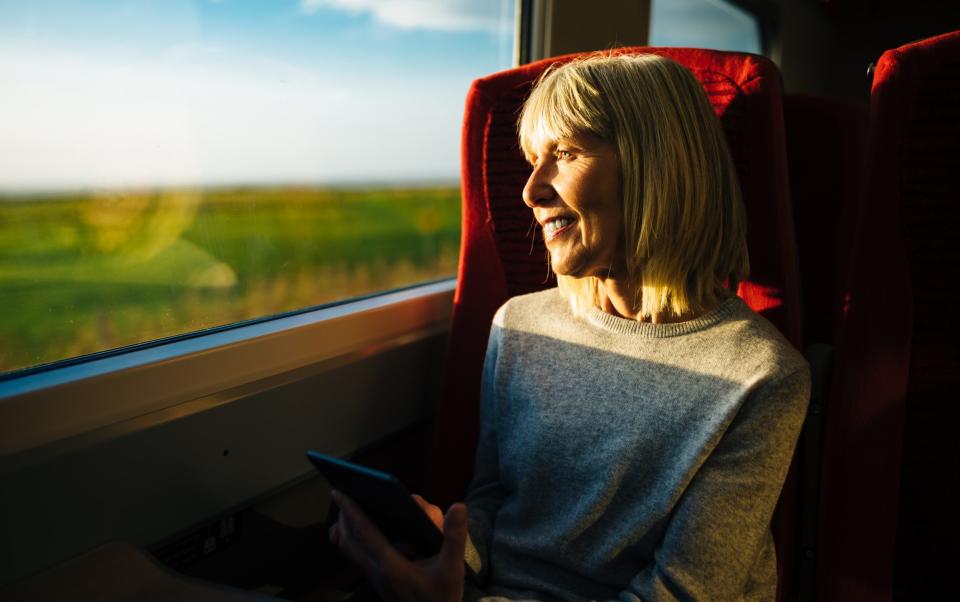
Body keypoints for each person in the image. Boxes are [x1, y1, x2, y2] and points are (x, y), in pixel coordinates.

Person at [329, 52, 810, 602]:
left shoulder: (761, 376)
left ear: (657, 166)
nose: (531, 192)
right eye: (533, 160)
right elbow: (493, 507)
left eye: (564, 153)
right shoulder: (521, 326)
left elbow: (680, 592)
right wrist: (449, 545)